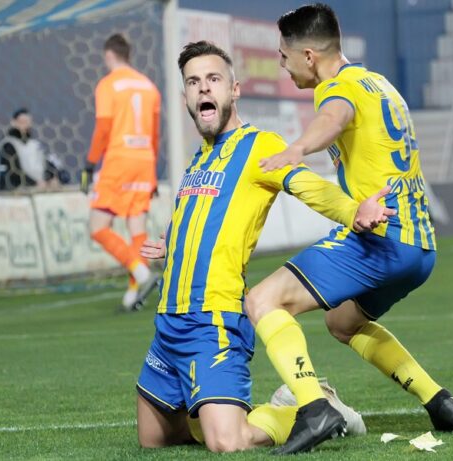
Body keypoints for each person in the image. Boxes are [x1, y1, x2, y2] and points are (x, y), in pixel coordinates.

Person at [135, 40, 391, 453]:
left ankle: (315, 409)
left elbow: (309, 186)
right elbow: (202, 213)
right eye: (193, 82)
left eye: (213, 79)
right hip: (169, 321)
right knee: (155, 439)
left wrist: (353, 211)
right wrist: (175, 242)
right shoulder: (201, 158)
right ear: (185, 97)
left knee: (227, 442)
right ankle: (222, 410)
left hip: (213, 320)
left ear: (234, 90)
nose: (203, 88)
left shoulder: (259, 145)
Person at [243, 3, 453, 454]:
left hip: (381, 237)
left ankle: (314, 408)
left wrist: (297, 149)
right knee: (343, 322)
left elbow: (334, 118)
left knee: (262, 299)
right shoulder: (378, 83)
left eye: (284, 56)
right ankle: (439, 401)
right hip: (420, 247)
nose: (282, 65)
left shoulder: (337, 88)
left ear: (309, 56)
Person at [80, 33, 162, 311]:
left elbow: (103, 128)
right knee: (137, 227)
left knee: (97, 227)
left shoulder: (108, 84)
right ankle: (133, 293)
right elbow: (155, 134)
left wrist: (90, 163)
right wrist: (152, 170)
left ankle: (140, 272)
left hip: (119, 160)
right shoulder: (149, 86)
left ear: (109, 55)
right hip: (145, 161)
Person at [0, 108, 68, 192]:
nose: (26, 125)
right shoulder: (8, 144)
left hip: (36, 190)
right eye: (22, 121)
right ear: (13, 122)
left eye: (28, 122)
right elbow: (13, 172)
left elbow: (46, 164)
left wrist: (51, 178)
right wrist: (34, 183)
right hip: (12, 192)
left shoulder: (34, 144)